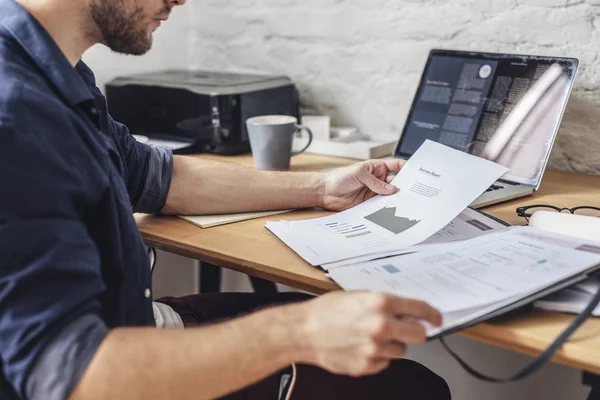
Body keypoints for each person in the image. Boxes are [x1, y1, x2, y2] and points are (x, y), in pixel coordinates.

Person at [0, 0, 452, 398]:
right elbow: (73, 376)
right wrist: (300, 333)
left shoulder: (57, 70)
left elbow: (155, 176)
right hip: (116, 372)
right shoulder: (16, 116)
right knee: (410, 387)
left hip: (136, 321)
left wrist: (320, 187)